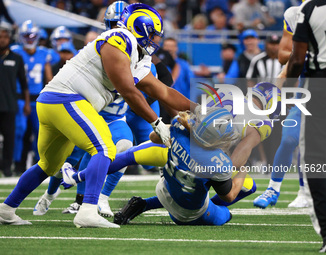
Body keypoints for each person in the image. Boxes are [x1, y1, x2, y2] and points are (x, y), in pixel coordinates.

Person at [0, 3, 192, 228]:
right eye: (153, 35)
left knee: (49, 164)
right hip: (66, 98)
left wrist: (201, 109)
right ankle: (88, 210)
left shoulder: (139, 56)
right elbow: (128, 89)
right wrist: (157, 122)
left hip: (53, 102)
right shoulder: (120, 38)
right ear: (140, 29)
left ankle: (7, 209)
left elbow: (163, 91)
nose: (156, 41)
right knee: (104, 148)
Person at [63, 82, 282, 225]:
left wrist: (178, 128)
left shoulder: (225, 95)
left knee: (130, 154)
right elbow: (235, 163)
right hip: (205, 162)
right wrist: (228, 168)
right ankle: (200, 209)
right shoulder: (261, 123)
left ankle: (77, 176)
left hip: (178, 142)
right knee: (241, 186)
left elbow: (158, 136)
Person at [286, 0, 326, 251]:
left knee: (316, 160)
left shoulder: (310, 7)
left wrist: (286, 91)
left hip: (322, 86)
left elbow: (296, 59)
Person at [253, 5, 308, 209]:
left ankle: (310, 192)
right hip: (307, 95)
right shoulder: (297, 15)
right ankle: (273, 188)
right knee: (290, 139)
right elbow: (286, 61)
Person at [11, 20, 53, 175]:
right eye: (26, 35)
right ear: (20, 36)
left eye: (32, 35)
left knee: (40, 132)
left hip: (39, 98)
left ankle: (39, 163)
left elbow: (49, 78)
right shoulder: (15, 51)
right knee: (19, 131)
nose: (29, 39)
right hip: (20, 97)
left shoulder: (44, 53)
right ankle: (17, 163)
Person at [0, 21, 30, 177]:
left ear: (9, 38)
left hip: (9, 104)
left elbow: (24, 83)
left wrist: (26, 103)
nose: (3, 39)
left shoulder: (17, 58)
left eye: (5, 36)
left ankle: (6, 168)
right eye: (0, 37)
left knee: (10, 139)